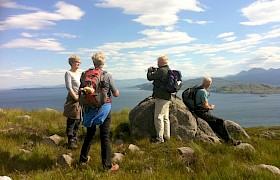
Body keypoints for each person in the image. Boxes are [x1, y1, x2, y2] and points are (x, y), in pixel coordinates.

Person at [79, 51, 120, 171]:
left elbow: (81, 90)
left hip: (89, 108)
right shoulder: (106, 75)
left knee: (90, 134)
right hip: (104, 108)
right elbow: (116, 94)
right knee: (105, 136)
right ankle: (107, 166)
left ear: (93, 62)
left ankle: (83, 159)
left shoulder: (85, 74)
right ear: (103, 62)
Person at [194, 76, 241, 146]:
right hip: (201, 112)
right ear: (209, 84)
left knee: (215, 124)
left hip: (197, 110)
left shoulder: (198, 89)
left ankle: (226, 139)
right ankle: (230, 141)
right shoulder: (203, 92)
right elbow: (205, 106)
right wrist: (211, 107)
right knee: (220, 122)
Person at [147, 55, 172, 143]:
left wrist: (149, 71)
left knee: (158, 117)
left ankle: (159, 138)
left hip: (161, 97)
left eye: (158, 62)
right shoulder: (168, 70)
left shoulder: (162, 70)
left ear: (161, 62)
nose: (157, 63)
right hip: (167, 97)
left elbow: (150, 77)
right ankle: (167, 136)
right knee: (165, 117)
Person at [63, 55, 82, 149]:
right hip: (73, 98)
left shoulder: (79, 73)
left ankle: (75, 137)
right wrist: (75, 97)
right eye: (76, 61)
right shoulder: (68, 73)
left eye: (79, 62)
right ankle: (70, 141)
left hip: (80, 98)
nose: (78, 63)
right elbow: (69, 86)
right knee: (72, 119)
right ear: (71, 63)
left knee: (78, 119)